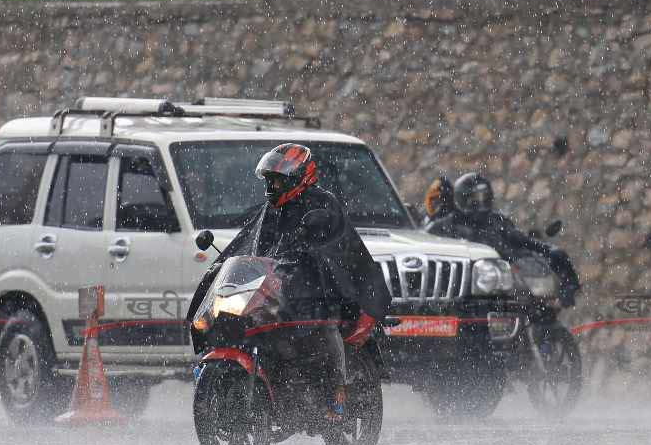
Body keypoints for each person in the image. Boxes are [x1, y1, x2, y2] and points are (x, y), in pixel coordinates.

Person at [199, 143, 391, 419]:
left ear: (297, 177)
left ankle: (337, 394)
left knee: (325, 328)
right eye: (269, 180)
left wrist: (307, 257)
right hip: (283, 290)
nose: (272, 186)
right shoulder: (271, 209)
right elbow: (250, 245)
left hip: (321, 292)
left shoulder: (322, 204)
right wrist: (222, 265)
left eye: (277, 180)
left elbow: (337, 251)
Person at [427, 171, 581, 306]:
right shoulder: (444, 227)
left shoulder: (497, 222)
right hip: (463, 295)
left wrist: (565, 278)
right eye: (474, 199)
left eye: (484, 198)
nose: (480, 203)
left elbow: (523, 241)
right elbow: (427, 256)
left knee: (554, 257)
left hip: (509, 290)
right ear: (461, 199)